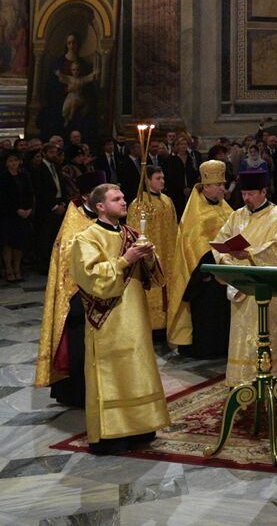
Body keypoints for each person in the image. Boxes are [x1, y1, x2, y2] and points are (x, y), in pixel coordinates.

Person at [69, 183, 169, 454]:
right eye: (117, 199)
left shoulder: (131, 233)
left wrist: (148, 257)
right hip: (108, 319)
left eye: (123, 198)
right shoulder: (86, 238)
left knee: (138, 368)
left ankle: (142, 426)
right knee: (113, 373)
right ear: (100, 206)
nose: (124, 202)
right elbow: (90, 278)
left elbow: (157, 278)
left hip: (135, 316)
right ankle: (112, 435)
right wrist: (125, 259)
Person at [212, 170, 277, 385]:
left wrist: (249, 255)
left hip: (269, 287)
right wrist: (229, 262)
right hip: (242, 285)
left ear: (264, 191)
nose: (246, 198)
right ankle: (242, 379)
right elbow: (221, 241)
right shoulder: (237, 216)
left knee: (271, 332)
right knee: (242, 334)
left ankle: (276, 375)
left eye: (251, 193)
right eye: (244, 193)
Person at [36, 170, 105, 407]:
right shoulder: (73, 223)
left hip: (104, 291)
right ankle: (77, 393)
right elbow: (68, 264)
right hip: (77, 297)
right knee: (78, 345)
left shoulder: (101, 216)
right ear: (87, 197)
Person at [166, 161, 235, 359]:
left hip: (226, 271)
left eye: (224, 183)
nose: (223, 188)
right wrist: (209, 267)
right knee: (207, 314)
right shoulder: (196, 213)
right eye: (219, 184)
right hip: (205, 276)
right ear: (206, 186)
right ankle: (203, 349)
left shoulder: (226, 207)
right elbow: (193, 245)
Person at [132, 165, 180, 332]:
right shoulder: (139, 203)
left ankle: (169, 324)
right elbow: (136, 231)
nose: (162, 181)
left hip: (170, 254)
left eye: (163, 178)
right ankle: (152, 328)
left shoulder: (167, 200)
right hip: (152, 256)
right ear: (147, 180)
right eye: (158, 178)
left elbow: (174, 227)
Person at [0, 150, 34, 282]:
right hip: (8, 215)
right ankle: (8, 269)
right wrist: (16, 209)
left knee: (19, 243)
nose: (13, 163)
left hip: (23, 214)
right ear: (6, 163)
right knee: (8, 242)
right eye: (10, 161)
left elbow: (30, 193)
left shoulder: (24, 176)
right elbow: (3, 197)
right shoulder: (3, 177)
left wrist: (29, 209)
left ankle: (17, 268)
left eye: (15, 160)